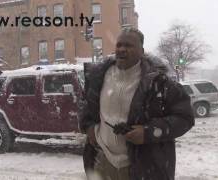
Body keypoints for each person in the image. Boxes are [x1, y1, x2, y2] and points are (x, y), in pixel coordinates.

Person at [79, 27, 194, 180]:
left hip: (143, 167)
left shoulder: (159, 82)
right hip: (102, 161)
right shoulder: (97, 77)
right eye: (119, 45)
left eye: (128, 46)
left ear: (142, 50)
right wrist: (89, 127)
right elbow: (85, 106)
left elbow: (185, 118)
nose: (122, 49)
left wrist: (149, 132)